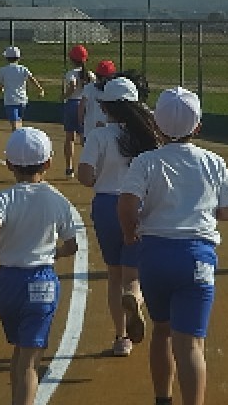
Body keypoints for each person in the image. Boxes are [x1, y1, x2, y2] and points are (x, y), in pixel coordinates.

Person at [117, 86, 228, 405]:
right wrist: (204, 211)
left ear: (156, 125)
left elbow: (127, 204)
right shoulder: (213, 162)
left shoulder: (146, 161)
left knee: (161, 330)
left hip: (155, 255)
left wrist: (130, 234)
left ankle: (163, 399)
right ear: (197, 126)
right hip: (196, 257)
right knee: (191, 346)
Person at [0, 127, 86, 405]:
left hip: (8, 286)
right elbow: (72, 246)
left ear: (9, 164)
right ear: (48, 163)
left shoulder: (3, 198)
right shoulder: (58, 200)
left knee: (19, 352)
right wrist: (54, 253)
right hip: (42, 283)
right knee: (29, 362)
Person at [77, 76, 159, 357]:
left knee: (113, 274)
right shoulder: (148, 136)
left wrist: (99, 178)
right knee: (133, 274)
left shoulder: (98, 136)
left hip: (106, 205)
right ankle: (134, 296)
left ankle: (122, 337)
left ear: (105, 107)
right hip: (138, 204)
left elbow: (85, 176)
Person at [63, 44, 95, 178]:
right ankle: (89, 166)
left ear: (72, 59)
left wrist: (65, 95)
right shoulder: (90, 74)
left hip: (72, 104)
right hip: (85, 104)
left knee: (70, 137)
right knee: (84, 138)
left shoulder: (71, 73)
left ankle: (69, 168)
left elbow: (73, 85)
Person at [0, 46, 45, 131]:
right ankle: (20, 136)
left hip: (10, 100)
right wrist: (40, 90)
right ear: (18, 58)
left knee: (14, 124)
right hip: (22, 100)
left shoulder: (3, 70)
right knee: (19, 121)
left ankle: (17, 137)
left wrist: (2, 89)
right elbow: (32, 79)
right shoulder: (23, 69)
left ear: (6, 58)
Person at [78, 60, 116, 142]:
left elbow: (81, 107)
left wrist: (81, 123)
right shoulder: (113, 90)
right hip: (107, 131)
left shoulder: (89, 88)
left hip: (89, 130)